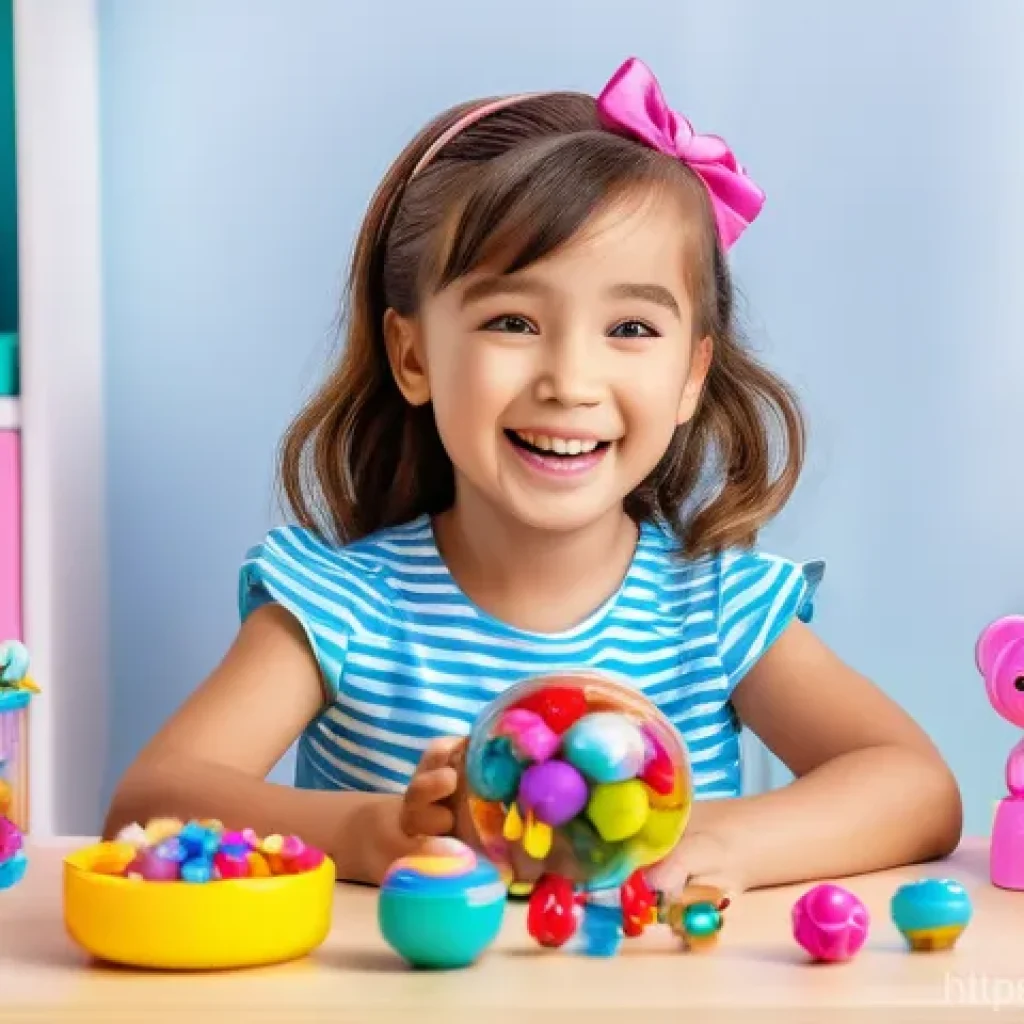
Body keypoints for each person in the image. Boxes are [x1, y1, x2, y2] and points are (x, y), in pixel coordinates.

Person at [104, 57, 962, 896]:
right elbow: (152, 804)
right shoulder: (338, 608)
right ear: (414, 355)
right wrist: (372, 834)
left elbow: (916, 787)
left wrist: (725, 838)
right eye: (513, 320)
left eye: (630, 328)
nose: (571, 382)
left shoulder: (715, 611)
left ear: (692, 376)